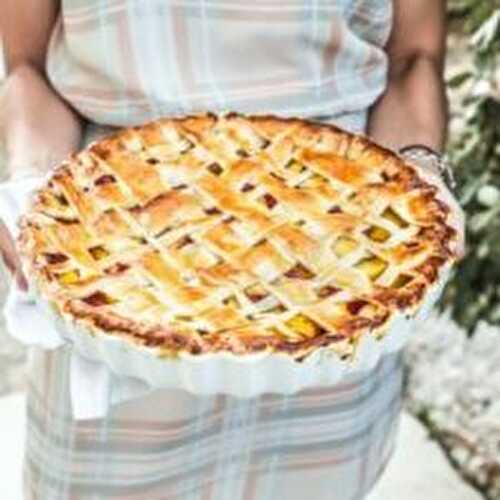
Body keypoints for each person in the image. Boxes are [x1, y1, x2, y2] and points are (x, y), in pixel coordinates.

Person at [0, 1, 464, 499]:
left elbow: (413, 55)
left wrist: (418, 172)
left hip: (335, 273)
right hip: (119, 264)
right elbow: (28, 65)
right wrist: (36, 187)